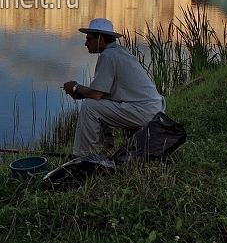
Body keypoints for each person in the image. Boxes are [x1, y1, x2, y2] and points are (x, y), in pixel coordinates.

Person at [63, 17, 165, 156]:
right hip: (152, 110)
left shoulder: (108, 56)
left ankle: (83, 156)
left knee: (90, 107)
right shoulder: (118, 52)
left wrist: (75, 87)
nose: (86, 43)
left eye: (89, 39)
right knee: (97, 104)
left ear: (101, 39)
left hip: (145, 113)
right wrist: (80, 93)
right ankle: (106, 145)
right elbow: (103, 94)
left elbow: (96, 95)